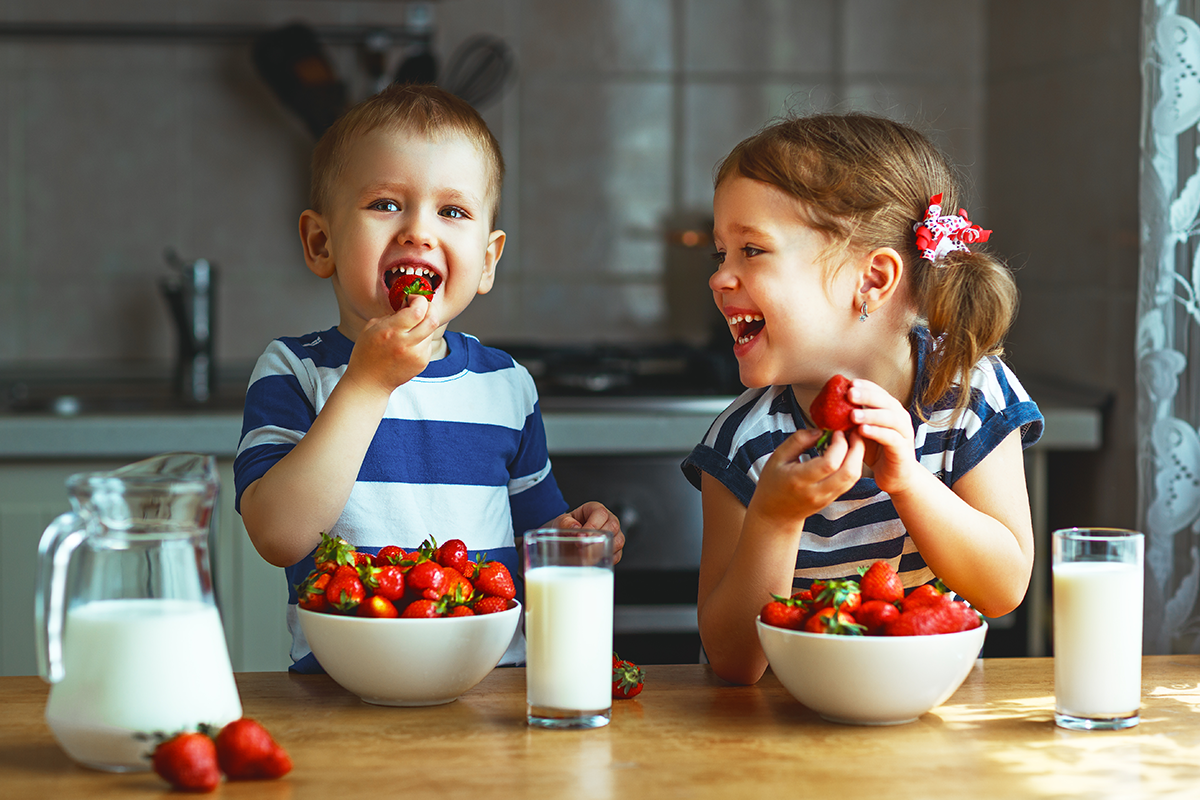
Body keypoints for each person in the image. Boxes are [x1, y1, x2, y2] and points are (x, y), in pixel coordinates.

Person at [234, 83, 623, 673]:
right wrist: (367, 383)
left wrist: (581, 539)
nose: (419, 230)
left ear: (488, 261)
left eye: (453, 211)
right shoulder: (294, 370)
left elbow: (539, 539)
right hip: (341, 695)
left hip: (492, 691)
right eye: (386, 204)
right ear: (321, 242)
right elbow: (277, 535)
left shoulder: (507, 385)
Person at [682, 113, 1044, 685]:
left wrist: (908, 483)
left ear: (873, 280)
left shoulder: (970, 392)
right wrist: (775, 518)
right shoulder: (741, 444)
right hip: (776, 738)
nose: (720, 278)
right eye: (719, 254)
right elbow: (733, 662)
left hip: (922, 724)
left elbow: (1002, 590)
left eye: (751, 250)